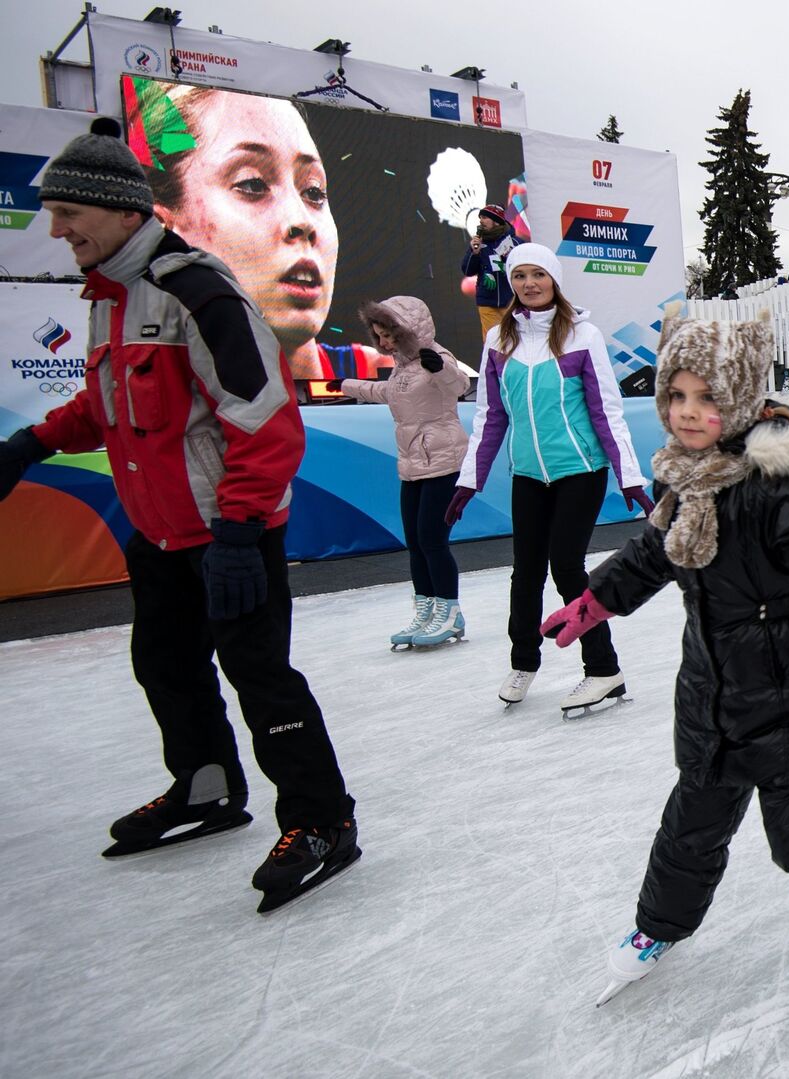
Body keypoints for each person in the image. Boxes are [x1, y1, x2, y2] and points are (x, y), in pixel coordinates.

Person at [542, 309, 789, 1063]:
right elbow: (653, 557)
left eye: (704, 397)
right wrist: (594, 601)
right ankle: (660, 925)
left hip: (787, 707)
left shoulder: (772, 492)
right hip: (712, 704)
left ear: (741, 401)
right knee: (689, 828)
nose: (687, 411)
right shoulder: (689, 486)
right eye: (675, 394)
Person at [0, 118, 358, 912]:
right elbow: (107, 405)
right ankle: (204, 786)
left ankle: (323, 818)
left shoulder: (196, 289)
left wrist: (237, 531)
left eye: (68, 215)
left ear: (122, 211)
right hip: (158, 532)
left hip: (227, 532)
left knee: (262, 678)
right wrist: (30, 442)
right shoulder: (112, 296)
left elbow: (265, 417)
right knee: (164, 663)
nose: (56, 231)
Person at [447, 244, 648, 715]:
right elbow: (490, 416)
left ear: (554, 281)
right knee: (526, 572)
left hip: (580, 469)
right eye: (520, 277)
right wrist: (469, 480)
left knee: (567, 568)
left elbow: (607, 412)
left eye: (538, 275)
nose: (529, 284)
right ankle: (523, 661)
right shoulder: (499, 339)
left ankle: (603, 670)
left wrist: (631, 479)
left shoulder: (583, 335)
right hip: (529, 474)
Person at [131, 80, 339, 381]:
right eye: (253, 184)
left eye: (314, 192)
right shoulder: (134, 381)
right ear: (160, 228)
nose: (302, 221)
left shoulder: (391, 373)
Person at [332, 297, 472, 649]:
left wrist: (441, 369)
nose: (383, 344)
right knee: (414, 542)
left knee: (432, 539)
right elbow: (389, 393)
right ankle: (425, 608)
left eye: (388, 336)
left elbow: (459, 387)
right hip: (411, 464)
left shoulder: (436, 358)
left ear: (408, 331)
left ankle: (449, 611)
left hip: (442, 462)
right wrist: (348, 385)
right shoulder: (401, 367)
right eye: (378, 336)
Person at [462, 204, 520, 342]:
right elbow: (467, 270)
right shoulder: (479, 244)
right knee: (493, 343)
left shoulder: (515, 242)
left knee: (514, 340)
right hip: (488, 303)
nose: (481, 221)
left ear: (496, 221)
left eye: (485, 217)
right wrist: (474, 253)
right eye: (480, 217)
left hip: (511, 301)